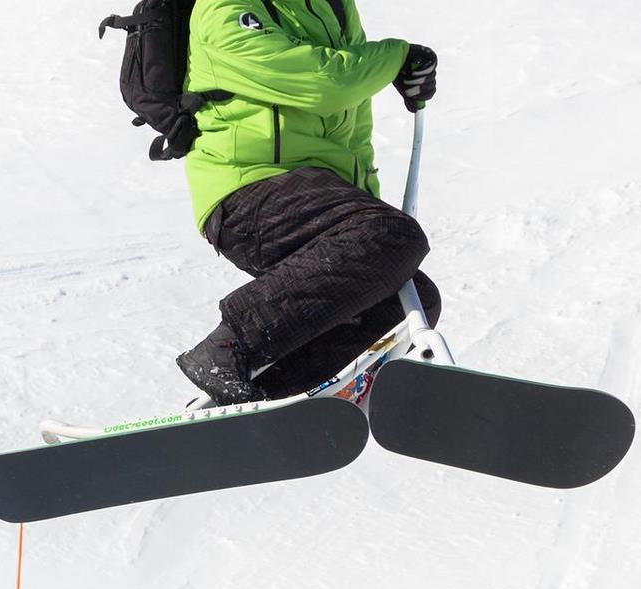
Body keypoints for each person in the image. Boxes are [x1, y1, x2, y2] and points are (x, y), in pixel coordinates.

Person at [173, 0, 442, 405]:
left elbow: (348, 134)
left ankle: (268, 402)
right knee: (392, 237)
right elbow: (324, 82)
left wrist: (367, 239)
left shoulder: (331, 8)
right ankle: (226, 349)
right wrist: (397, 58)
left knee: (407, 302)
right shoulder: (224, 7)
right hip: (248, 192)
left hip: (315, 192)